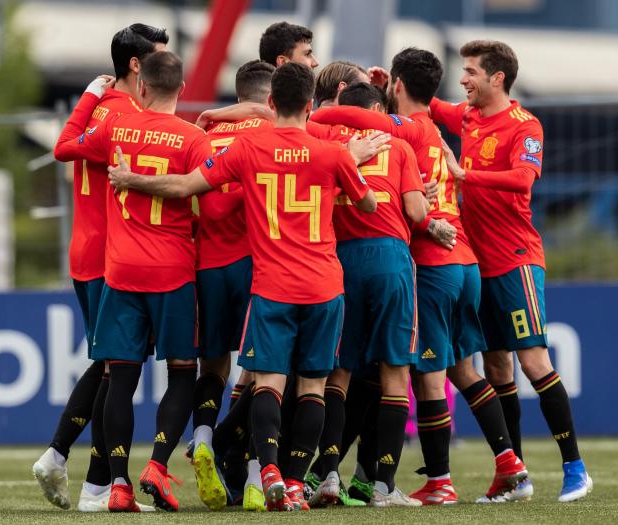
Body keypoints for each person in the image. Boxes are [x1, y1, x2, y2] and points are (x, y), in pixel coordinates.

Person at [107, 63, 388, 512]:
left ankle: (269, 468)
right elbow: (369, 205)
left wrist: (130, 180)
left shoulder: (248, 148)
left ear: (272, 104)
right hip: (323, 286)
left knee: (268, 385)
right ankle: (294, 483)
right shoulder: (331, 154)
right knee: (313, 387)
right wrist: (353, 162)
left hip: (272, 285)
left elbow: (184, 186)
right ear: (311, 105)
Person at [311, 47, 531, 505]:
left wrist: (319, 110)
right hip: (463, 258)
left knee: (423, 377)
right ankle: (510, 462)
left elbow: (369, 124)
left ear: (395, 87)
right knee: (459, 369)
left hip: (429, 263)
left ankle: (440, 481)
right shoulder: (434, 132)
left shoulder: (404, 130)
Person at [433, 39, 592, 503]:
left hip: (516, 260)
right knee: (497, 365)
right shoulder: (467, 117)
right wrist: (389, 89)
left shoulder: (526, 125)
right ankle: (515, 476)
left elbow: (523, 179)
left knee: (533, 361)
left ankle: (575, 468)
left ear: (497, 77)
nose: (463, 79)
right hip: (475, 265)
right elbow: (429, 107)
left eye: (470, 71)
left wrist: (464, 176)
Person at [54, 50, 212, 512]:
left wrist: (89, 96)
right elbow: (209, 202)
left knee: (119, 379)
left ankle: (117, 484)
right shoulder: (193, 138)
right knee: (183, 374)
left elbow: (65, 147)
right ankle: (158, 463)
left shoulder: (115, 129)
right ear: (182, 90)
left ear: (141, 87)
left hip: (120, 272)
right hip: (173, 272)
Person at [33, 23, 167, 513]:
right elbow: (67, 148)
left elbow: (66, 144)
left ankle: (78, 470)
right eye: (159, 58)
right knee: (119, 366)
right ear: (137, 65)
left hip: (87, 254)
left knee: (111, 365)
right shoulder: (130, 116)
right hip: (116, 260)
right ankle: (88, 476)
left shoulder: (105, 110)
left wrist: (88, 98)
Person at [306, 82, 427, 509]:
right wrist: (425, 203)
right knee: (395, 372)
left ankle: (330, 476)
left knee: (337, 374)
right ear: (376, 109)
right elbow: (416, 213)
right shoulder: (398, 147)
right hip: (390, 259)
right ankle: (383, 487)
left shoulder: (324, 139)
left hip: (340, 262)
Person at [191, 59, 275, 513]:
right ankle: (255, 476)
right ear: (268, 97)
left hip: (207, 264)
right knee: (264, 369)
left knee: (214, 367)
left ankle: (203, 437)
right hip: (252, 262)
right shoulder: (266, 136)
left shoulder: (205, 136)